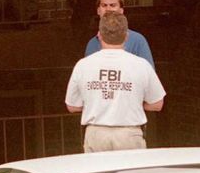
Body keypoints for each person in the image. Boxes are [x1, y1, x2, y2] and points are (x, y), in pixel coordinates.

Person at [66, 11, 166, 152]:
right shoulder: (141, 65)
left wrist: (97, 102)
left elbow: (72, 106)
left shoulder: (83, 65)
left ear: (99, 35)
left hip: (96, 134)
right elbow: (157, 104)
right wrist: (130, 102)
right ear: (126, 36)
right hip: (129, 134)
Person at [84, 0, 154, 68]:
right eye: (104, 5)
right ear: (98, 11)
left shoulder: (138, 40)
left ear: (121, 10)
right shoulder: (92, 43)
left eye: (112, 5)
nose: (108, 9)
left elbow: (148, 74)